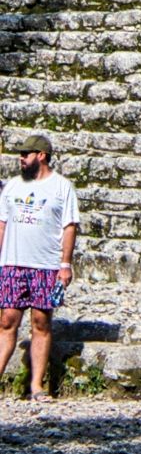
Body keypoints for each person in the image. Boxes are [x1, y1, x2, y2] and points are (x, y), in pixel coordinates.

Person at [0, 135, 80, 406]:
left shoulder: (62, 187)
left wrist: (65, 264)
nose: (21, 159)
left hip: (45, 265)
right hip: (13, 262)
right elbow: (2, 224)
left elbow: (70, 226)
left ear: (41, 155)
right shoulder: (11, 186)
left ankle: (36, 385)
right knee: (7, 320)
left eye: (26, 154)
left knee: (41, 322)